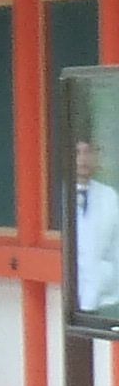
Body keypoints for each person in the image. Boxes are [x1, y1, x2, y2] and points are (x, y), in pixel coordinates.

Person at [75, 137, 119, 321]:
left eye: (88, 152)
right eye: (77, 153)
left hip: (107, 298)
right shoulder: (56, 196)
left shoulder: (109, 195)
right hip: (71, 298)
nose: (83, 159)